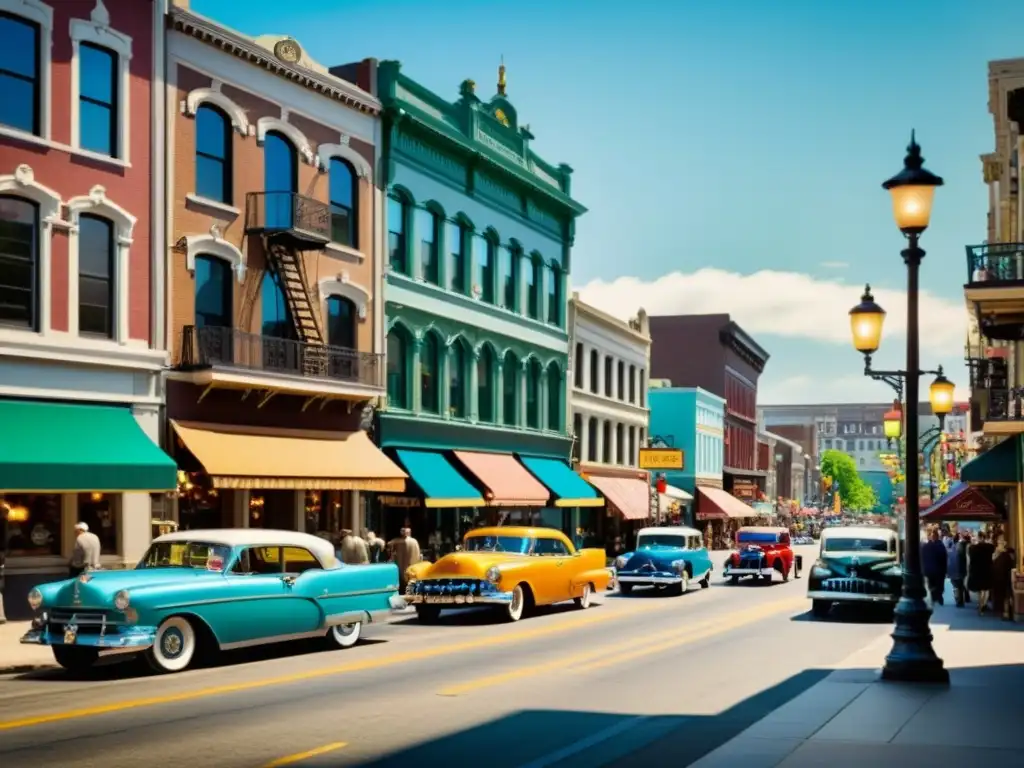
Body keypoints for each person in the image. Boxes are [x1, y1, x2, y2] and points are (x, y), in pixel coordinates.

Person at [968, 530, 996, 614]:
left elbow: (971, 561)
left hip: (976, 571)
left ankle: (980, 604)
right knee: (985, 589)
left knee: (979, 589)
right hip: (986, 570)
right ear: (984, 538)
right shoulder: (990, 547)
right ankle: (983, 604)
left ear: (978, 538)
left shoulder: (972, 548)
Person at [389, 527, 422, 592]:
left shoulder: (398, 541)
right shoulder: (414, 541)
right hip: (412, 564)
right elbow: (418, 554)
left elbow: (389, 544)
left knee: (402, 581)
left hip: (402, 565)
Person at [921, 528, 948, 605]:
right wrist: (945, 570)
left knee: (932, 585)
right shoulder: (941, 546)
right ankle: (938, 597)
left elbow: (922, 558)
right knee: (939, 585)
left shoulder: (926, 547)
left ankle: (934, 597)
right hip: (939, 570)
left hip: (929, 570)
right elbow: (944, 558)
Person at [991, 539, 1015, 621]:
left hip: (1002, 578)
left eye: (1000, 544)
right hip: (1001, 578)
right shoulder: (1000, 555)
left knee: (1004, 596)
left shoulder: (1004, 555)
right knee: (1004, 596)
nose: (998, 546)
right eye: (998, 544)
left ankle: (1005, 612)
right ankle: (1004, 612)